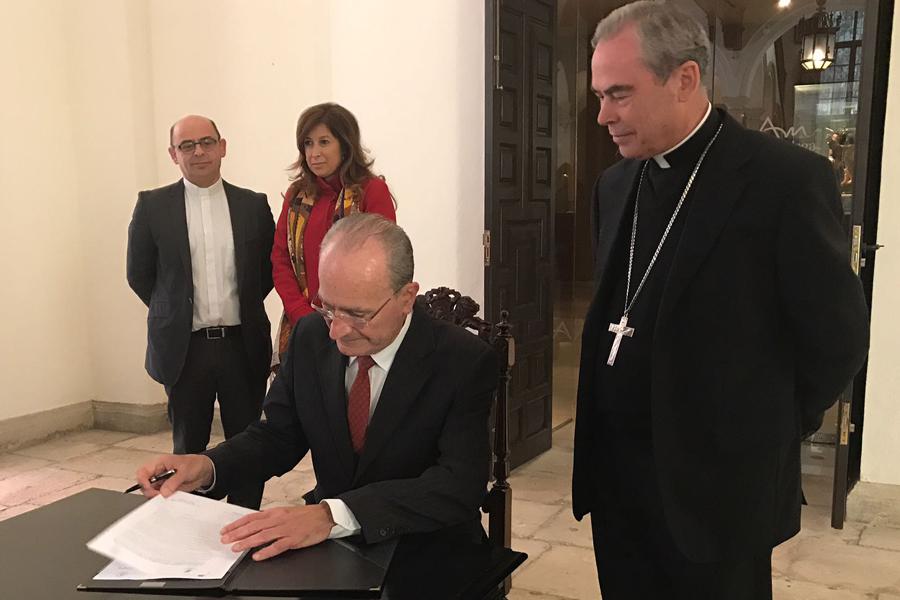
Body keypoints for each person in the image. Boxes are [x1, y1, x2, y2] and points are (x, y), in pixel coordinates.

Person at [572, 3, 870, 599]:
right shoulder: (615, 183)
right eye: (600, 95)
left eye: (620, 94)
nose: (602, 115)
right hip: (618, 483)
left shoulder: (783, 181)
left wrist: (766, 427)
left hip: (721, 490)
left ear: (684, 78)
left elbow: (836, 339)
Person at [135, 214, 497, 560]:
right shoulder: (311, 337)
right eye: (328, 308)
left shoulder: (461, 360)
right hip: (333, 547)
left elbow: (458, 485)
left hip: (427, 545)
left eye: (357, 314)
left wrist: (333, 515)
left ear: (406, 297)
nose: (337, 331)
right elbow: (278, 435)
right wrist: (208, 466)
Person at [127, 115, 275, 510]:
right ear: (174, 154)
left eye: (206, 142)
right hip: (184, 348)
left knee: (248, 444)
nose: (199, 152)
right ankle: (188, 530)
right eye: (187, 145)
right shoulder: (153, 205)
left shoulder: (253, 205)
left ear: (222, 146)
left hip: (241, 344)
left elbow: (266, 273)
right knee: (187, 447)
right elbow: (139, 275)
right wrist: (176, 313)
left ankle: (245, 522)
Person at [272, 103, 396, 368]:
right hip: (302, 323)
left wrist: (344, 318)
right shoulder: (297, 196)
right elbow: (280, 259)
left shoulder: (371, 191)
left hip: (357, 324)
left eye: (324, 142)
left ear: (345, 144)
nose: (314, 153)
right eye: (307, 144)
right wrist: (301, 314)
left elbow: (385, 262)